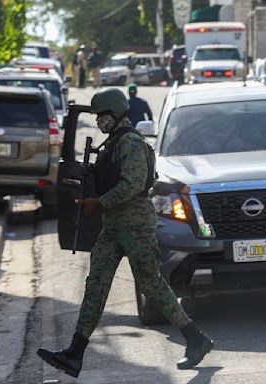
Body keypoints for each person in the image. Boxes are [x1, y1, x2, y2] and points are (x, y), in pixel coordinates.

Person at [37, 88, 213, 378]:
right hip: (114, 224)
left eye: (102, 116)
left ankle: (196, 339)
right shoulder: (113, 144)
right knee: (96, 284)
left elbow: (132, 184)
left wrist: (99, 202)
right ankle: (75, 354)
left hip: (135, 224)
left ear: (116, 114)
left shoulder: (130, 142)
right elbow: (114, 178)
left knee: (151, 285)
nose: (99, 122)